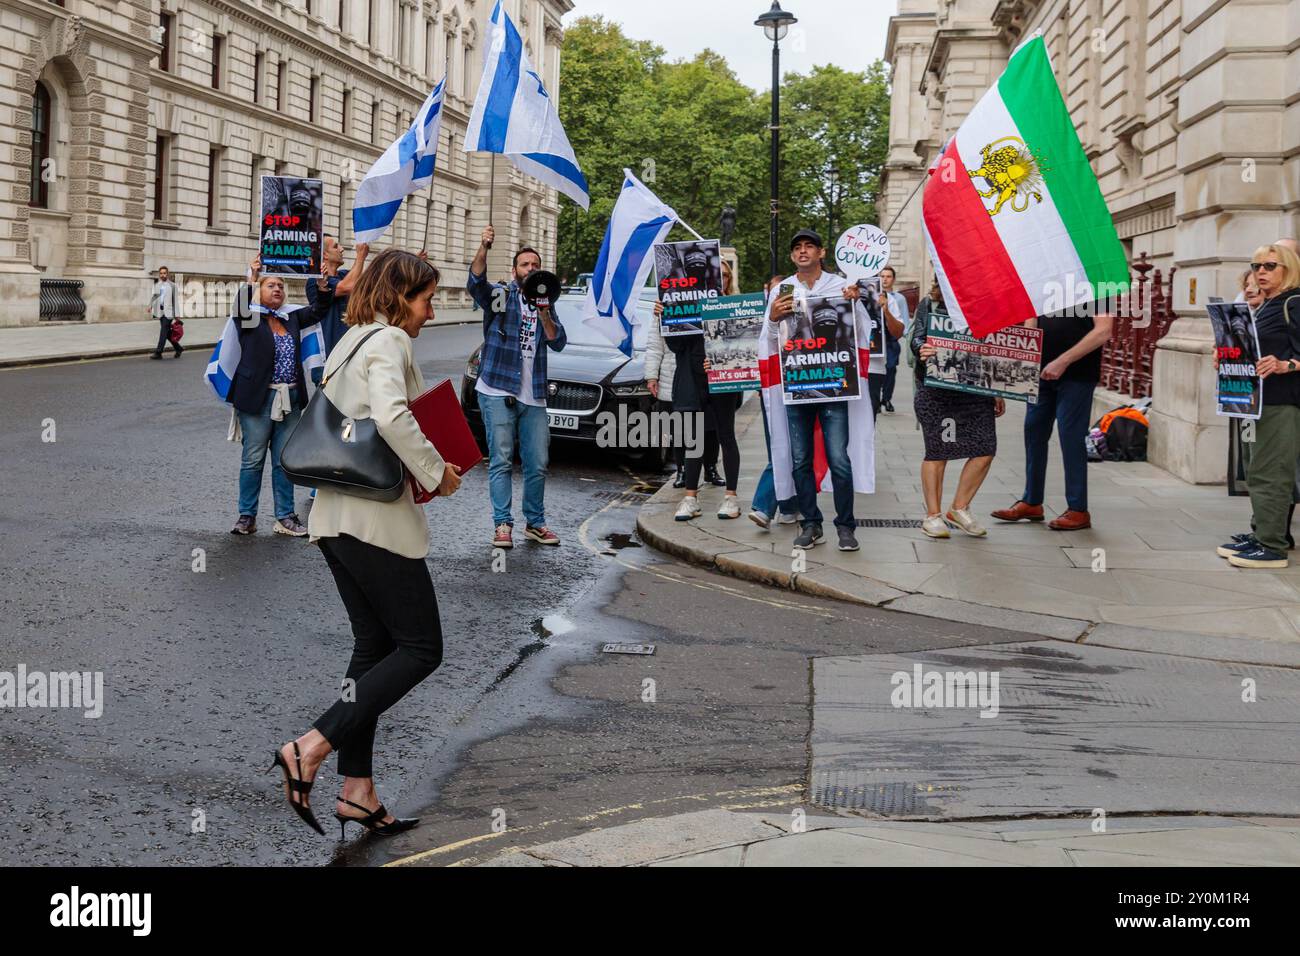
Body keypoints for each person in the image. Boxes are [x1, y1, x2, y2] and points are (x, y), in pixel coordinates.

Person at [272, 249, 462, 838]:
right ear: (400, 295)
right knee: (421, 648)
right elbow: (392, 417)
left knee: (373, 648)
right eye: (427, 299)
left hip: (334, 519)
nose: (431, 312)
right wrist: (437, 473)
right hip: (375, 522)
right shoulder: (388, 342)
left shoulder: (350, 338)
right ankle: (310, 746)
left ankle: (357, 792)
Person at [765, 228, 874, 552]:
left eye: (809, 246)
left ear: (821, 252)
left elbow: (864, 330)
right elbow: (771, 338)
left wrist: (856, 304)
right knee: (800, 460)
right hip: (797, 386)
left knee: (839, 458)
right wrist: (772, 318)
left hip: (833, 386)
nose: (802, 251)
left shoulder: (841, 286)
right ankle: (811, 524)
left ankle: (846, 526)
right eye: (797, 247)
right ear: (791, 256)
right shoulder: (781, 290)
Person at [468, 226, 566, 548]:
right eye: (525, 264)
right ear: (515, 271)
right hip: (497, 389)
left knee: (537, 462)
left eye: (535, 264)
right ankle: (502, 524)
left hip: (534, 394)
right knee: (501, 459)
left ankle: (535, 524)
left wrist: (544, 314)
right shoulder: (502, 296)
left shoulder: (546, 303)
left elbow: (558, 341)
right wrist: (484, 246)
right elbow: (476, 284)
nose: (531, 269)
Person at [991, 300, 1114, 531]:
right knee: (1033, 433)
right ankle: (1031, 501)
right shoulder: (1045, 281)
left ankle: (1078, 509)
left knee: (1070, 437)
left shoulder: (1095, 284)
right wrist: (1025, 360)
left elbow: (1103, 331)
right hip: (1040, 374)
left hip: (1077, 375)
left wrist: (1062, 361)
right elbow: (1031, 321)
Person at [1217, 242, 1300, 568]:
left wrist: (1285, 365)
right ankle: (1261, 532)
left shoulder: (1294, 301)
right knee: (1256, 470)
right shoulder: (1268, 304)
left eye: (1269, 266)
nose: (1261, 272)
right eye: (1256, 266)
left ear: (1289, 268)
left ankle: (1272, 546)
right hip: (1255, 400)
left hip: (1283, 402)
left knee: (1271, 473)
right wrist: (1226, 355)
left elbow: (1290, 355)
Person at [226, 257, 314, 537]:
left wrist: (323, 281)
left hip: (291, 398)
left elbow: (321, 309)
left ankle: (285, 517)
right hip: (257, 400)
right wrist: (251, 277)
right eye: (271, 285)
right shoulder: (251, 318)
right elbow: (240, 309)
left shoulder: (292, 317)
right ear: (260, 292)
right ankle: (246, 516)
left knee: (282, 461)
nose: (277, 289)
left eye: (280, 286)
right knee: (252, 460)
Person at [909, 286, 1005, 537]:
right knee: (938, 450)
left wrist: (997, 389)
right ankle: (932, 516)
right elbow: (916, 337)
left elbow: (996, 347)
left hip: (975, 391)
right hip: (937, 389)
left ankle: (959, 508)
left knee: (985, 448)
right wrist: (922, 348)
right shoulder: (930, 304)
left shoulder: (988, 306)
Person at [654, 260, 743, 521]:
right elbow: (675, 346)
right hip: (691, 381)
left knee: (726, 435)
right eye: (719, 275)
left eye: (726, 276)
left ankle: (731, 497)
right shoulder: (685, 306)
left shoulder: (734, 308)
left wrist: (719, 359)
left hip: (722, 381)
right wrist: (665, 318)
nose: (722, 280)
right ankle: (690, 499)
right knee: (694, 440)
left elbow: (744, 348)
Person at [748, 275, 800, 530]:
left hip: (805, 380)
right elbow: (763, 343)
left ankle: (768, 506)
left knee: (793, 448)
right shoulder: (761, 309)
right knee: (779, 446)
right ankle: (786, 506)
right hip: (775, 384)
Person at [304, 237, 370, 372]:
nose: (342, 249)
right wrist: (360, 256)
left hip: (350, 355)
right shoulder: (315, 281)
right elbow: (348, 286)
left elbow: (371, 281)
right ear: (324, 255)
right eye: (336, 246)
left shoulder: (344, 275)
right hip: (327, 359)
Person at [878, 266, 909, 413]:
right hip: (877, 338)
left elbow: (903, 320)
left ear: (893, 279)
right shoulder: (874, 295)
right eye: (882, 276)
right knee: (876, 371)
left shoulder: (899, 298)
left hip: (891, 340)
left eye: (888, 276)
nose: (885, 279)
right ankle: (876, 398)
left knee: (890, 369)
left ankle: (887, 398)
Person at [149, 266, 182, 359]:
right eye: (161, 273)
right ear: (159, 274)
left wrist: (177, 314)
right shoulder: (157, 285)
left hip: (169, 313)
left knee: (163, 332)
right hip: (160, 312)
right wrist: (150, 305)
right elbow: (154, 296)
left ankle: (158, 352)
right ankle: (178, 348)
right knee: (167, 334)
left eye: (164, 273)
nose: (162, 275)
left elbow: (175, 301)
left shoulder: (172, 286)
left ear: (167, 274)